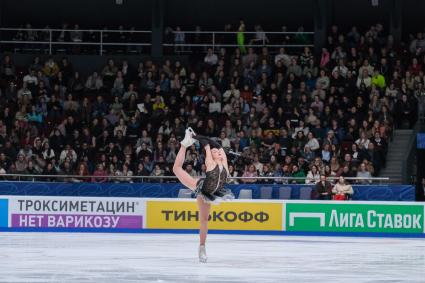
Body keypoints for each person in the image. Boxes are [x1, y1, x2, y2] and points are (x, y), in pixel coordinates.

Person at [172, 128, 233, 263]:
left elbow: (215, 144)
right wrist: (197, 138)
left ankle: (202, 246)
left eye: (218, 151)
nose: (217, 151)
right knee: (176, 169)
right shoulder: (210, 162)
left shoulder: (225, 163)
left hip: (214, 191)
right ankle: (183, 144)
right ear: (210, 155)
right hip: (202, 188)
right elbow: (207, 144)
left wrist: (196, 135)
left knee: (205, 220)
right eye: (214, 152)